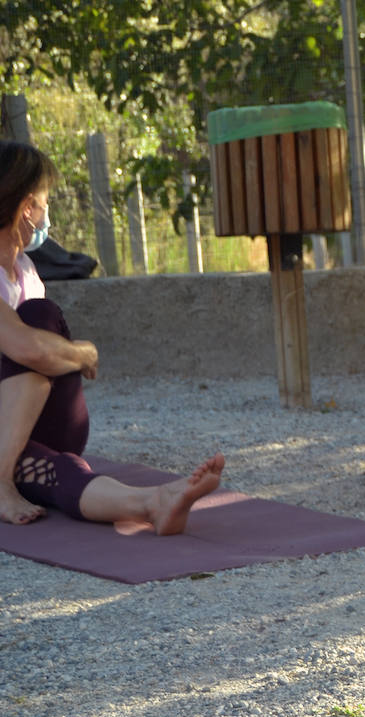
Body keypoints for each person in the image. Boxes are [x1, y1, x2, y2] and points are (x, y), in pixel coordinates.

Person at [0, 140, 223, 532]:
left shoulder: (27, 270)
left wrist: (58, 354)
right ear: (25, 206)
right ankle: (153, 503)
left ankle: (5, 474)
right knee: (58, 470)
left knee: (40, 316)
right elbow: (28, 349)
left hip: (47, 423)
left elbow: (40, 353)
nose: (47, 213)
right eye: (45, 201)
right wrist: (84, 353)